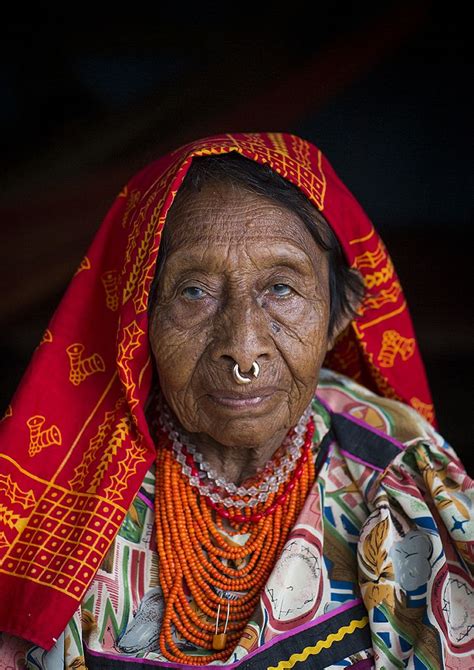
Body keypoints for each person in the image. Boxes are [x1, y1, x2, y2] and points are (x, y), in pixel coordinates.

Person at [0, 132, 472, 669]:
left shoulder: (398, 473)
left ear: (339, 316)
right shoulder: (68, 498)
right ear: (138, 318)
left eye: (282, 289)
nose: (243, 349)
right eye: (193, 292)